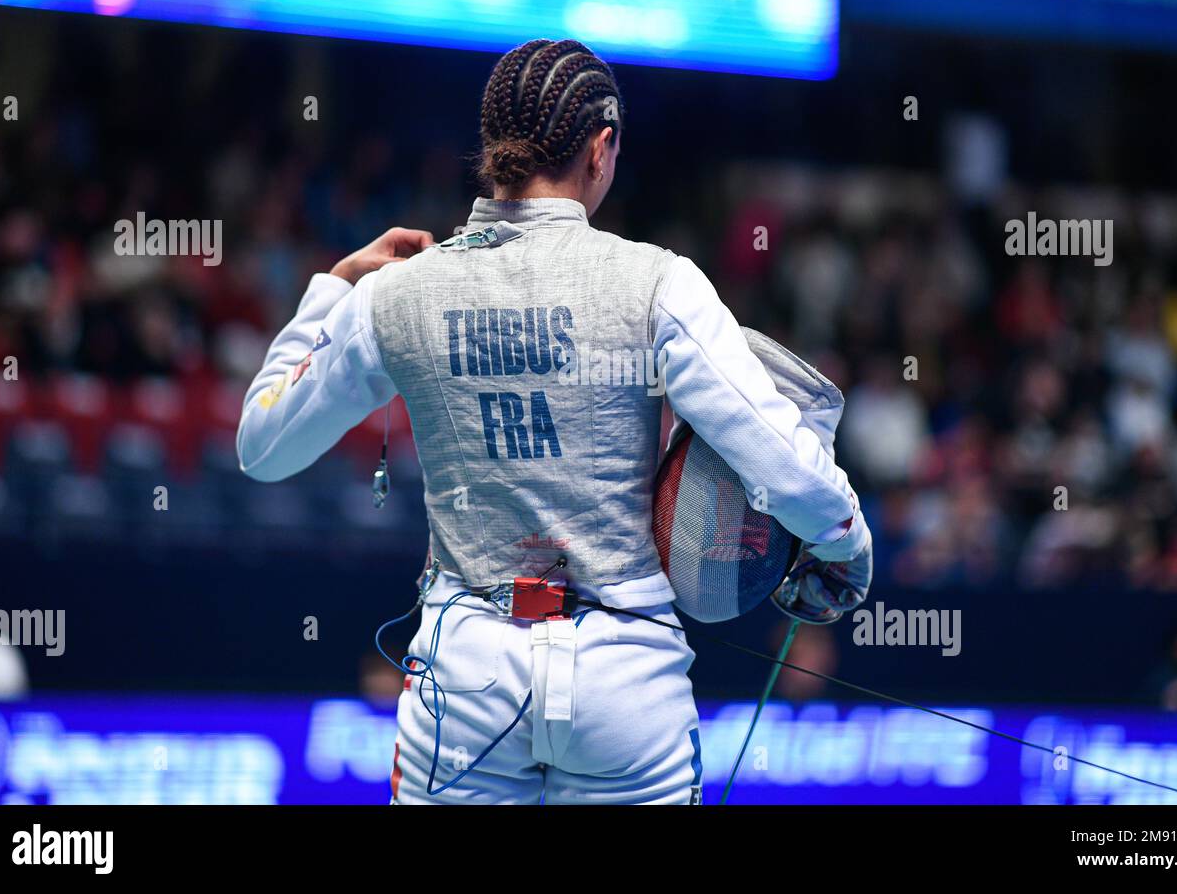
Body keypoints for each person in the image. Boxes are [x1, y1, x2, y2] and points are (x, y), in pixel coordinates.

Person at [237, 39, 871, 804]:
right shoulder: (659, 281)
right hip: (625, 684)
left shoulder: (394, 294)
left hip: (466, 681)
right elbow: (777, 454)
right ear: (600, 149)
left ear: (492, 146)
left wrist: (333, 288)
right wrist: (845, 539)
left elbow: (263, 445)